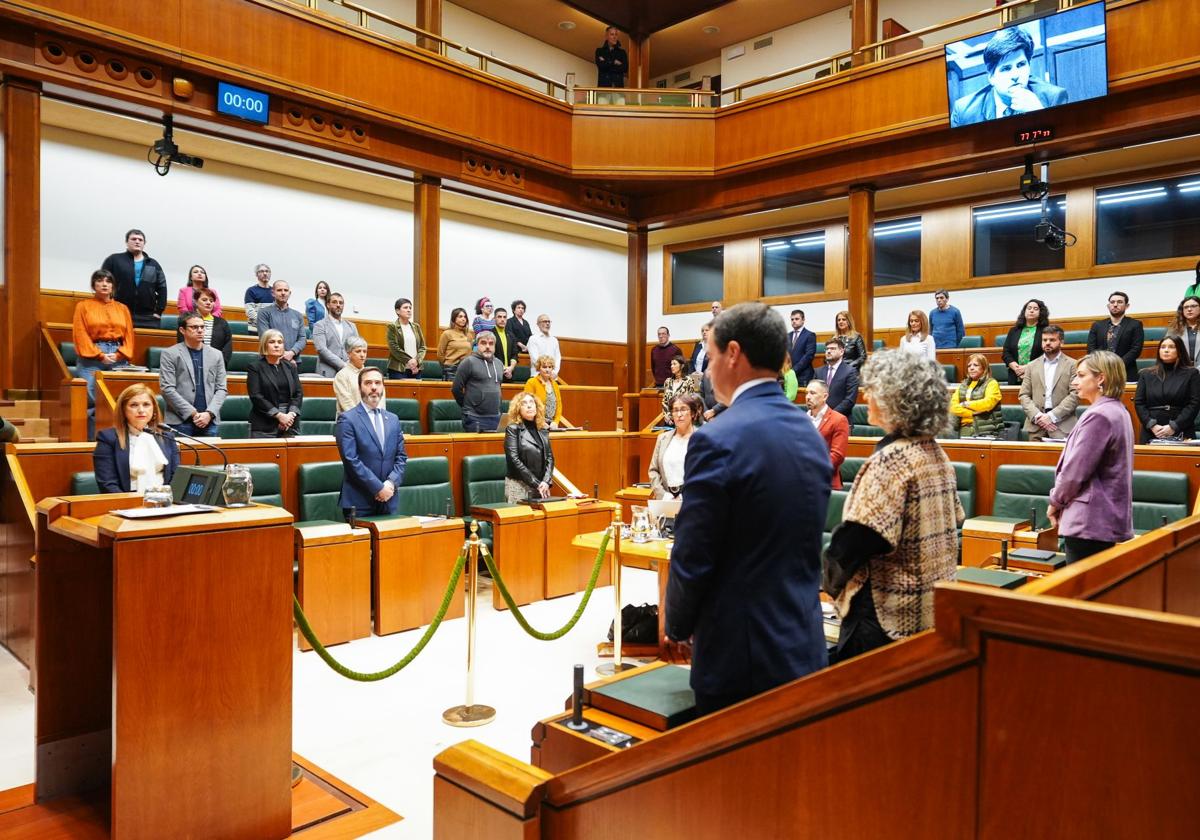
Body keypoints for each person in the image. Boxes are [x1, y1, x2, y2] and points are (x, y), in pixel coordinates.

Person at [665, 302, 830, 715]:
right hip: (803, 643)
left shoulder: (717, 438)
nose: (706, 369)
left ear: (733, 353)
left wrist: (677, 625)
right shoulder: (808, 433)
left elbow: (695, 551)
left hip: (739, 656)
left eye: (712, 354)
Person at [823, 350, 963, 661]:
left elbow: (859, 538)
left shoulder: (893, 460)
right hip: (928, 609)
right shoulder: (935, 452)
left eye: (873, 390)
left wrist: (828, 581)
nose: (867, 396)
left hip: (885, 616)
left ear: (894, 400)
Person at [1048, 351, 1134, 564]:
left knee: (1080, 593)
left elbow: (1074, 472)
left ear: (1101, 378)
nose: (1075, 382)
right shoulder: (1117, 410)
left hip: (1089, 520)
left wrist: (1055, 501)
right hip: (1102, 519)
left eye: (1081, 375)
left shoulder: (1099, 416)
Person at [949, 26, 1068, 128]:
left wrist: (1039, 114)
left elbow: (1063, 147)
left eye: (1021, 65)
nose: (1015, 75)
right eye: (1006, 68)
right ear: (991, 77)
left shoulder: (1054, 98)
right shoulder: (964, 112)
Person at [335, 367, 407, 519]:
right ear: (360, 387)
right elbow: (351, 460)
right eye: (368, 383)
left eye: (377, 383)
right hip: (359, 503)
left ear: (383, 387)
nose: (373, 387)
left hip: (389, 500)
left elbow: (401, 457)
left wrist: (390, 484)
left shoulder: (393, 419)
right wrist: (378, 487)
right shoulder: (347, 419)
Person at [73, 268, 134, 440]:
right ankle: (95, 440)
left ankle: (122, 439)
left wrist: (121, 353)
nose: (104, 284)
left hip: (118, 355)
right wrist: (99, 354)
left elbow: (129, 334)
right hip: (91, 356)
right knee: (93, 400)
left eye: (108, 281)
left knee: (120, 398)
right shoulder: (83, 306)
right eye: (100, 281)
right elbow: (80, 333)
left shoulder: (122, 308)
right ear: (94, 285)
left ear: (113, 286)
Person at [93, 383, 180, 493]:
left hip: (164, 499)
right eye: (134, 405)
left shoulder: (167, 436)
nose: (141, 410)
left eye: (146, 404)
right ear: (123, 410)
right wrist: (130, 505)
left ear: (154, 409)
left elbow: (175, 476)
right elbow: (107, 483)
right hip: (127, 502)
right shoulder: (108, 438)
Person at [159, 313, 228, 438]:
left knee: (210, 457)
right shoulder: (170, 354)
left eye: (202, 327)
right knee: (179, 457)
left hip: (209, 421)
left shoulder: (217, 354)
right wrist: (193, 413)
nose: (200, 330)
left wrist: (209, 413)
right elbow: (167, 389)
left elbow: (221, 389)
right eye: (194, 327)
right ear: (182, 330)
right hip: (180, 421)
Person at [1134, 336, 1200, 444]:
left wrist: (1174, 426)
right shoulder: (1146, 374)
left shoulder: (1191, 374)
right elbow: (1139, 402)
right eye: (1163, 347)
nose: (1166, 350)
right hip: (1152, 430)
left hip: (1181, 428)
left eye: (1171, 347)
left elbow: (1194, 404)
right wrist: (1152, 425)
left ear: (1179, 350)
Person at [1018, 326, 1079, 441]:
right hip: (1036, 425)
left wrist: (1051, 416)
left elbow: (1075, 394)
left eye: (1052, 340)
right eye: (1044, 340)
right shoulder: (1031, 365)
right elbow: (1024, 395)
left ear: (1061, 342)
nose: (1047, 343)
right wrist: (1038, 416)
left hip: (1062, 425)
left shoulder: (1073, 365)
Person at [101, 228, 166, 329]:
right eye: (134, 239)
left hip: (147, 317)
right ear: (127, 242)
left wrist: (158, 312)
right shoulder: (114, 260)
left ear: (144, 243)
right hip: (118, 313)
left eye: (140, 240)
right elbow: (102, 284)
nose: (137, 241)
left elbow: (162, 288)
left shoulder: (153, 264)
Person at [246, 329, 303, 438]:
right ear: (264, 345)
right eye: (272, 342)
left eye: (280, 342)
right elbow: (256, 396)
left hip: (290, 423)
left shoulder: (290, 366)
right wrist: (279, 416)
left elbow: (298, 393)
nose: (276, 345)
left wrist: (290, 415)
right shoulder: (255, 367)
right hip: (265, 425)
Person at [648, 393, 702, 501]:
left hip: (693, 500)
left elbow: (703, 471)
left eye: (683, 409)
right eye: (675, 410)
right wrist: (664, 495)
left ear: (692, 413)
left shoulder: (702, 437)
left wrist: (684, 496)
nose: (679, 414)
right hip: (666, 500)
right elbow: (653, 471)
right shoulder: (662, 438)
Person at [503, 392, 554, 503]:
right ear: (518, 409)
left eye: (532, 402)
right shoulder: (513, 429)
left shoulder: (542, 429)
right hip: (519, 486)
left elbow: (550, 457)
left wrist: (545, 481)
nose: (529, 405)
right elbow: (514, 460)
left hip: (541, 486)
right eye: (524, 403)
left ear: (537, 406)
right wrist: (536, 483)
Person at [1086, 291, 1144, 382]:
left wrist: (1117, 364)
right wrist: (1102, 364)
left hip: (1126, 371)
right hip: (1100, 371)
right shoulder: (1097, 325)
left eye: (1120, 302)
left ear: (1127, 306)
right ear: (1108, 306)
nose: (1115, 305)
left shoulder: (1135, 325)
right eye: (1112, 302)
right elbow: (1091, 349)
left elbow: (1136, 349)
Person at [451, 330, 503, 433]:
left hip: (496, 417)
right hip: (474, 417)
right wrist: (468, 406)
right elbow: (456, 389)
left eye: (491, 343)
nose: (487, 346)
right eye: (483, 343)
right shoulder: (468, 362)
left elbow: (498, 387)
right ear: (477, 345)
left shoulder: (499, 363)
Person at [806, 379, 848, 489]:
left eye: (813, 393)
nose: (808, 397)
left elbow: (837, 456)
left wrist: (811, 469)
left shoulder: (839, 419)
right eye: (807, 393)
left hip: (826, 483)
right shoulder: (801, 420)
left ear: (825, 397)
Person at [950, 353, 1004, 438]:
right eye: (969, 366)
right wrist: (972, 413)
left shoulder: (992, 383)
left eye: (975, 365)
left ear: (984, 368)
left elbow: (988, 403)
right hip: (965, 428)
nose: (971, 368)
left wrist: (965, 404)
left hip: (986, 429)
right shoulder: (963, 385)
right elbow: (953, 407)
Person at [256, 280, 306, 364]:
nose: (283, 293)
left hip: (294, 362)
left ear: (289, 293)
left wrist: (291, 353)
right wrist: (284, 357)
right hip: (270, 361)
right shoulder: (263, 313)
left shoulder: (298, 315)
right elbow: (265, 337)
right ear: (273, 293)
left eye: (286, 290)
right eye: (279, 290)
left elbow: (302, 338)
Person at [1001, 298, 1049, 385]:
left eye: (1035, 309)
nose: (1031, 311)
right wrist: (1016, 367)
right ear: (1024, 311)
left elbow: (1047, 354)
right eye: (1029, 308)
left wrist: (1027, 368)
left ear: (1041, 312)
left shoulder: (1046, 331)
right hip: (1015, 374)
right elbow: (1006, 352)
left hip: (1037, 374)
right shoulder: (1014, 330)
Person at [312, 292, 359, 377]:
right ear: (328, 305)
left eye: (341, 303)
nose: (338, 305)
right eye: (334, 302)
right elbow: (322, 349)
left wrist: (349, 364)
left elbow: (357, 347)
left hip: (349, 372)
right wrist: (343, 365)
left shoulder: (351, 326)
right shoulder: (319, 325)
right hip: (327, 371)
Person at [181, 288, 233, 365]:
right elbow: (182, 343)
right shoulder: (187, 320)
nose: (208, 303)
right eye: (204, 300)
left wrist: (221, 364)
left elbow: (228, 346)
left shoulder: (222, 323)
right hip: (191, 364)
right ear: (195, 301)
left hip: (216, 366)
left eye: (211, 301)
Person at [813, 336, 858, 418]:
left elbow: (849, 400)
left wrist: (830, 415)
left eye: (833, 349)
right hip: (820, 419)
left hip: (840, 419)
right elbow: (814, 395)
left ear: (841, 352)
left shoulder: (850, 371)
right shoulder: (818, 371)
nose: (828, 351)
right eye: (827, 349)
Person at [386, 297, 425, 380]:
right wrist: (409, 361)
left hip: (416, 369)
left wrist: (416, 361)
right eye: (405, 307)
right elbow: (394, 347)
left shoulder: (416, 327)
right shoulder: (392, 327)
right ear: (397, 311)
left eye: (410, 308)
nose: (409, 310)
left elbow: (422, 347)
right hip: (398, 369)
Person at [524, 354, 564, 428]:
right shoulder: (531, 382)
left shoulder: (555, 384)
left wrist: (556, 422)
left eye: (550, 367)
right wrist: (539, 421)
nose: (547, 370)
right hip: (534, 424)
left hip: (551, 424)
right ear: (539, 368)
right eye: (544, 367)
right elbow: (527, 405)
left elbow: (559, 405)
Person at [334, 336, 369, 416]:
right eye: (358, 351)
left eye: (365, 351)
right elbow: (347, 403)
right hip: (349, 421)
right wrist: (364, 420)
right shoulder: (341, 376)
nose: (362, 355)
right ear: (349, 354)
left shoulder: (370, 374)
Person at [438, 307, 474, 381]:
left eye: (465, 317)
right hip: (451, 370)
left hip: (466, 369)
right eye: (460, 316)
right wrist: (447, 366)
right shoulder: (447, 333)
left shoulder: (469, 335)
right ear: (454, 318)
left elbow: (470, 353)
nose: (463, 319)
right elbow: (440, 354)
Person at [661, 355, 697, 424]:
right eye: (671, 364)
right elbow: (665, 401)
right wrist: (667, 416)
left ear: (682, 366)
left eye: (674, 364)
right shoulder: (668, 381)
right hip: (669, 420)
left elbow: (690, 401)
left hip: (682, 417)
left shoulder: (688, 381)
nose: (672, 366)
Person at [526, 314, 561, 378]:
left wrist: (555, 372)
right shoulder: (533, 339)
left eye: (549, 321)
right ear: (538, 324)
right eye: (544, 321)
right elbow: (535, 359)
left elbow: (558, 358)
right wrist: (547, 371)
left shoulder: (554, 340)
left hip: (552, 376)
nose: (547, 323)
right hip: (537, 376)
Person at [1167, 295, 1200, 362]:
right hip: (1181, 368)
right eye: (1186, 307)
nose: (1189, 309)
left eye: (1193, 306)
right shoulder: (1174, 328)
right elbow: (1168, 348)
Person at [787, 309, 816, 386]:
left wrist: (794, 370)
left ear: (803, 320)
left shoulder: (810, 335)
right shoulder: (787, 336)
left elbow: (809, 356)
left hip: (803, 375)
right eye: (792, 319)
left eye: (797, 319)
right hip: (788, 375)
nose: (794, 321)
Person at [594, 26, 627, 92]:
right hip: (603, 89)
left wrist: (606, 62)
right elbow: (601, 66)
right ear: (606, 36)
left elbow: (625, 68)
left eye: (616, 34)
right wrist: (614, 62)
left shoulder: (622, 52)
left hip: (618, 88)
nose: (614, 37)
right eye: (612, 34)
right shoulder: (599, 51)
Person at [243, 264, 274, 334]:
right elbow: (250, 312)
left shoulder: (274, 291)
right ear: (257, 275)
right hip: (255, 329)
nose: (265, 273)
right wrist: (264, 322)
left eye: (267, 271)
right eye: (262, 271)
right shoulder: (251, 290)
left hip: (271, 330)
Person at [492, 307, 518, 380]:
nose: (502, 319)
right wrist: (503, 368)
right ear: (494, 319)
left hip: (510, 374)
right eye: (499, 317)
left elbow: (514, 354)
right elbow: (490, 355)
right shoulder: (489, 334)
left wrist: (511, 368)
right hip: (494, 373)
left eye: (504, 317)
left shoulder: (511, 335)